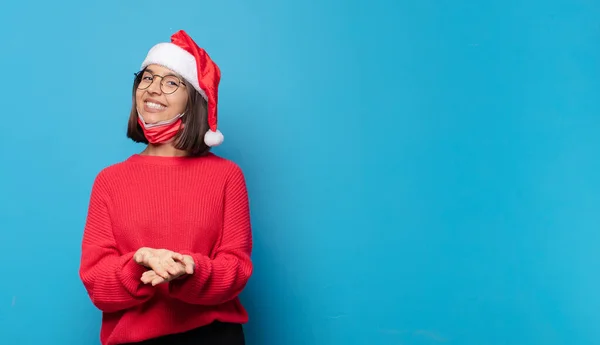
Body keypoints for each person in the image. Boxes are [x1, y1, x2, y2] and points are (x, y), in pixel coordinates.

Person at [78, 30, 253, 345]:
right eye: (147, 78)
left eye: (171, 82)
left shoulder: (227, 176)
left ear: (194, 99)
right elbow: (96, 281)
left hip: (213, 337)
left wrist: (190, 270)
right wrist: (139, 262)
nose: (153, 89)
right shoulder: (109, 180)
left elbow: (236, 268)